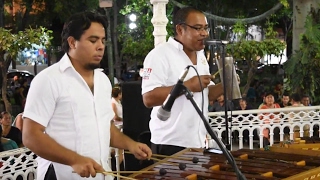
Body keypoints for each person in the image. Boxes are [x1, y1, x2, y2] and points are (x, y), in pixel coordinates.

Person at [22, 11, 152, 180]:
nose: (100, 46)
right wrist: (74, 159)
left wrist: (131, 145)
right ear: (72, 42)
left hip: (102, 174)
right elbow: (31, 136)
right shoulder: (48, 80)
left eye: (103, 41)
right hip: (62, 175)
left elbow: (105, 127)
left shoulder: (103, 80)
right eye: (93, 40)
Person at [141, 7, 223, 156]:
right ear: (180, 29)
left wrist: (226, 85)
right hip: (169, 143)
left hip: (198, 142)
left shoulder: (201, 55)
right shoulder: (160, 55)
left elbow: (206, 94)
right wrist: (188, 86)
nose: (204, 33)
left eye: (205, 28)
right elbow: (148, 98)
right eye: (198, 28)